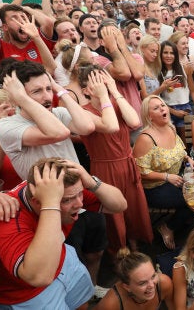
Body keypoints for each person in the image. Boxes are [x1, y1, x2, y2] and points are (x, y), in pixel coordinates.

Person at [0, 157, 126, 308]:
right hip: (22, 293)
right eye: (66, 200)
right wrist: (51, 203)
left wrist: (92, 183)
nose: (80, 203)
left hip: (62, 259)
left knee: (82, 300)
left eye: (80, 194)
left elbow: (119, 205)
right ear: (38, 200)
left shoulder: (64, 190)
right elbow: (39, 277)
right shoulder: (5, 218)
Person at [77, 64, 153, 252]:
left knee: (135, 210)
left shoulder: (116, 104)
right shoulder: (83, 111)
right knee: (113, 216)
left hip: (127, 163)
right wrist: (104, 96)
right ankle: (119, 253)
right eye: (96, 83)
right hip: (105, 168)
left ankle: (135, 247)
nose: (102, 86)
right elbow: (105, 125)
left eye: (104, 80)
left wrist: (114, 90)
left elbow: (135, 122)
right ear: (86, 89)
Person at [133, 95, 194, 250]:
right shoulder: (146, 139)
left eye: (163, 105)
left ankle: (181, 223)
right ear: (149, 116)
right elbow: (138, 173)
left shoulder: (171, 128)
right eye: (156, 108)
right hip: (154, 187)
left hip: (175, 180)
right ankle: (167, 226)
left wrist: (188, 159)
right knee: (192, 200)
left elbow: (179, 152)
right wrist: (166, 177)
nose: (162, 108)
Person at [94, 248, 175, 310]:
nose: (151, 285)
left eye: (153, 276)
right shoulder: (110, 304)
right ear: (127, 287)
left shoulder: (164, 284)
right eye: (142, 283)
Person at [159, 40, 194, 142]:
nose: (169, 56)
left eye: (172, 53)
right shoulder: (158, 71)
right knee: (171, 141)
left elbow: (193, 90)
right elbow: (158, 98)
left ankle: (187, 158)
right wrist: (174, 111)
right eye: (165, 52)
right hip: (168, 108)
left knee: (186, 141)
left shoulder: (184, 68)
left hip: (185, 107)